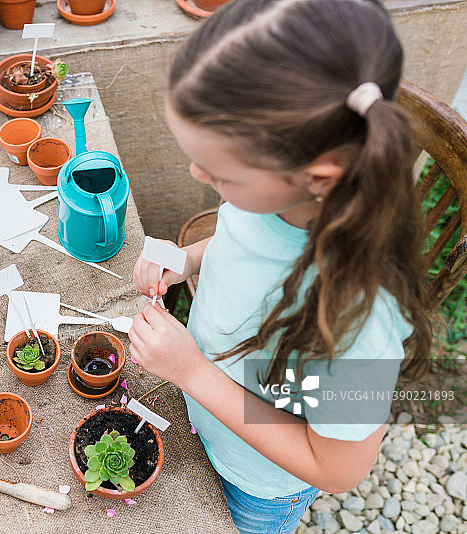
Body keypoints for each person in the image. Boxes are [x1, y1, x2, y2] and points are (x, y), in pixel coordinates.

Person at [129, 0, 432, 531]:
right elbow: (239, 240)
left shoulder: (358, 319)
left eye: (223, 174)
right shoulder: (273, 201)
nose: (199, 174)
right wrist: (187, 259)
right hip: (206, 418)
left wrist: (192, 372)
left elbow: (336, 468)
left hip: (255, 484)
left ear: (318, 177)